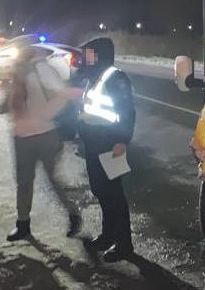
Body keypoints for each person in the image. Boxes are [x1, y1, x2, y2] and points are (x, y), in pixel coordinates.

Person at [7, 46, 81, 241]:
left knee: (53, 179)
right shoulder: (18, 72)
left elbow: (62, 97)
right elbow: (11, 103)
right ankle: (23, 224)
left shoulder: (41, 69)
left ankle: (73, 214)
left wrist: (40, 117)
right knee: (23, 182)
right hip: (22, 137)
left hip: (44, 135)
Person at [77, 37, 136, 263]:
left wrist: (123, 140)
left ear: (100, 54)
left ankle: (124, 244)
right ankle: (108, 235)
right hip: (93, 144)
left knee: (113, 195)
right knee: (100, 191)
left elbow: (127, 111)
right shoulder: (95, 76)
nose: (86, 57)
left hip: (111, 145)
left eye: (89, 54)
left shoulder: (115, 77)